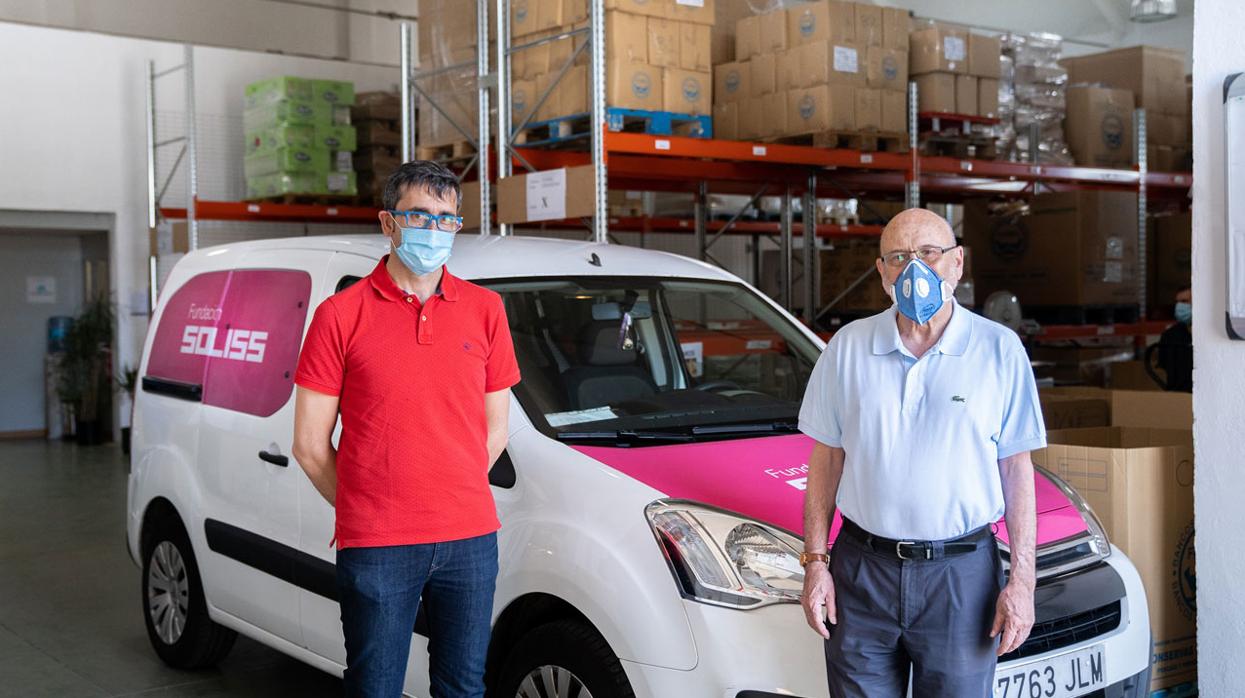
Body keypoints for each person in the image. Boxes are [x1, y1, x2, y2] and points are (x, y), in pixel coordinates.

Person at [291, 160, 521, 697]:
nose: (434, 229)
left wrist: (445, 490)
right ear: (388, 223)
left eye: (447, 219)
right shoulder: (339, 316)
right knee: (376, 688)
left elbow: (495, 430)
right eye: (419, 215)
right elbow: (308, 445)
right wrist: (369, 505)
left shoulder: (487, 311)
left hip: (470, 539)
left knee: (463, 688)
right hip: (378, 544)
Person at [798, 208, 1043, 697]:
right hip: (861, 574)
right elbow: (826, 462)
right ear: (883, 273)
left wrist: (1023, 583)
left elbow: (1017, 471)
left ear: (957, 264)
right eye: (900, 257)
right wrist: (816, 564)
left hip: (960, 579)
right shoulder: (846, 348)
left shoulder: (999, 351)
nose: (915, 269)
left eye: (929, 253)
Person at [1146, 287, 1193, 391]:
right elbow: (1162, 369)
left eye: (1184, 301)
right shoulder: (1169, 336)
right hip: (1176, 396)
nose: (1179, 306)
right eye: (1177, 302)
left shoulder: (1208, 336)